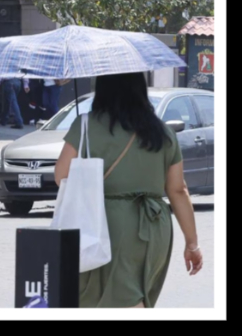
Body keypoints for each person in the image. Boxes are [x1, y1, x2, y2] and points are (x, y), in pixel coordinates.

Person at [54, 72, 203, 308]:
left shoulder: (86, 124)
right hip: (155, 224)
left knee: (111, 300)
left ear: (101, 88)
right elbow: (178, 190)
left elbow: (61, 175)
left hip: (107, 223)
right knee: (137, 295)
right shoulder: (163, 132)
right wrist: (192, 243)